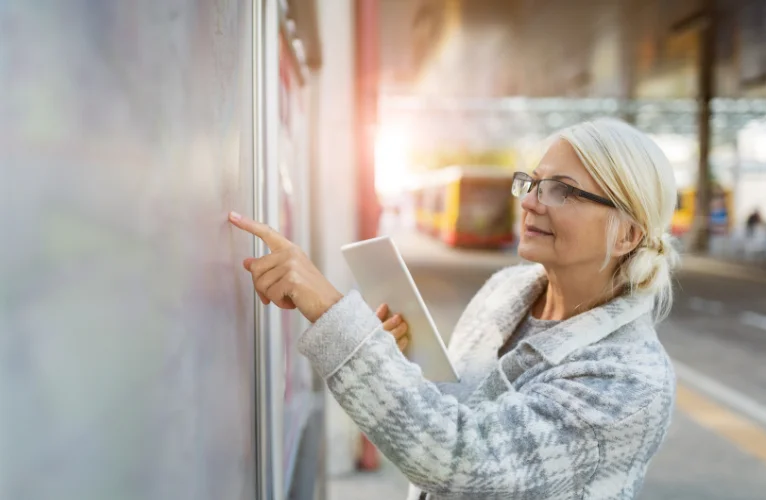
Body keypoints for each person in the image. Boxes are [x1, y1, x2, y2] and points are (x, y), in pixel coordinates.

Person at [229, 117, 679, 500]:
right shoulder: (507, 291)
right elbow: (456, 406)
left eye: (561, 191)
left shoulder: (631, 379)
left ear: (627, 235)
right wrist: (397, 359)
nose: (527, 202)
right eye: (533, 183)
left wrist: (330, 311)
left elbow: (464, 459)